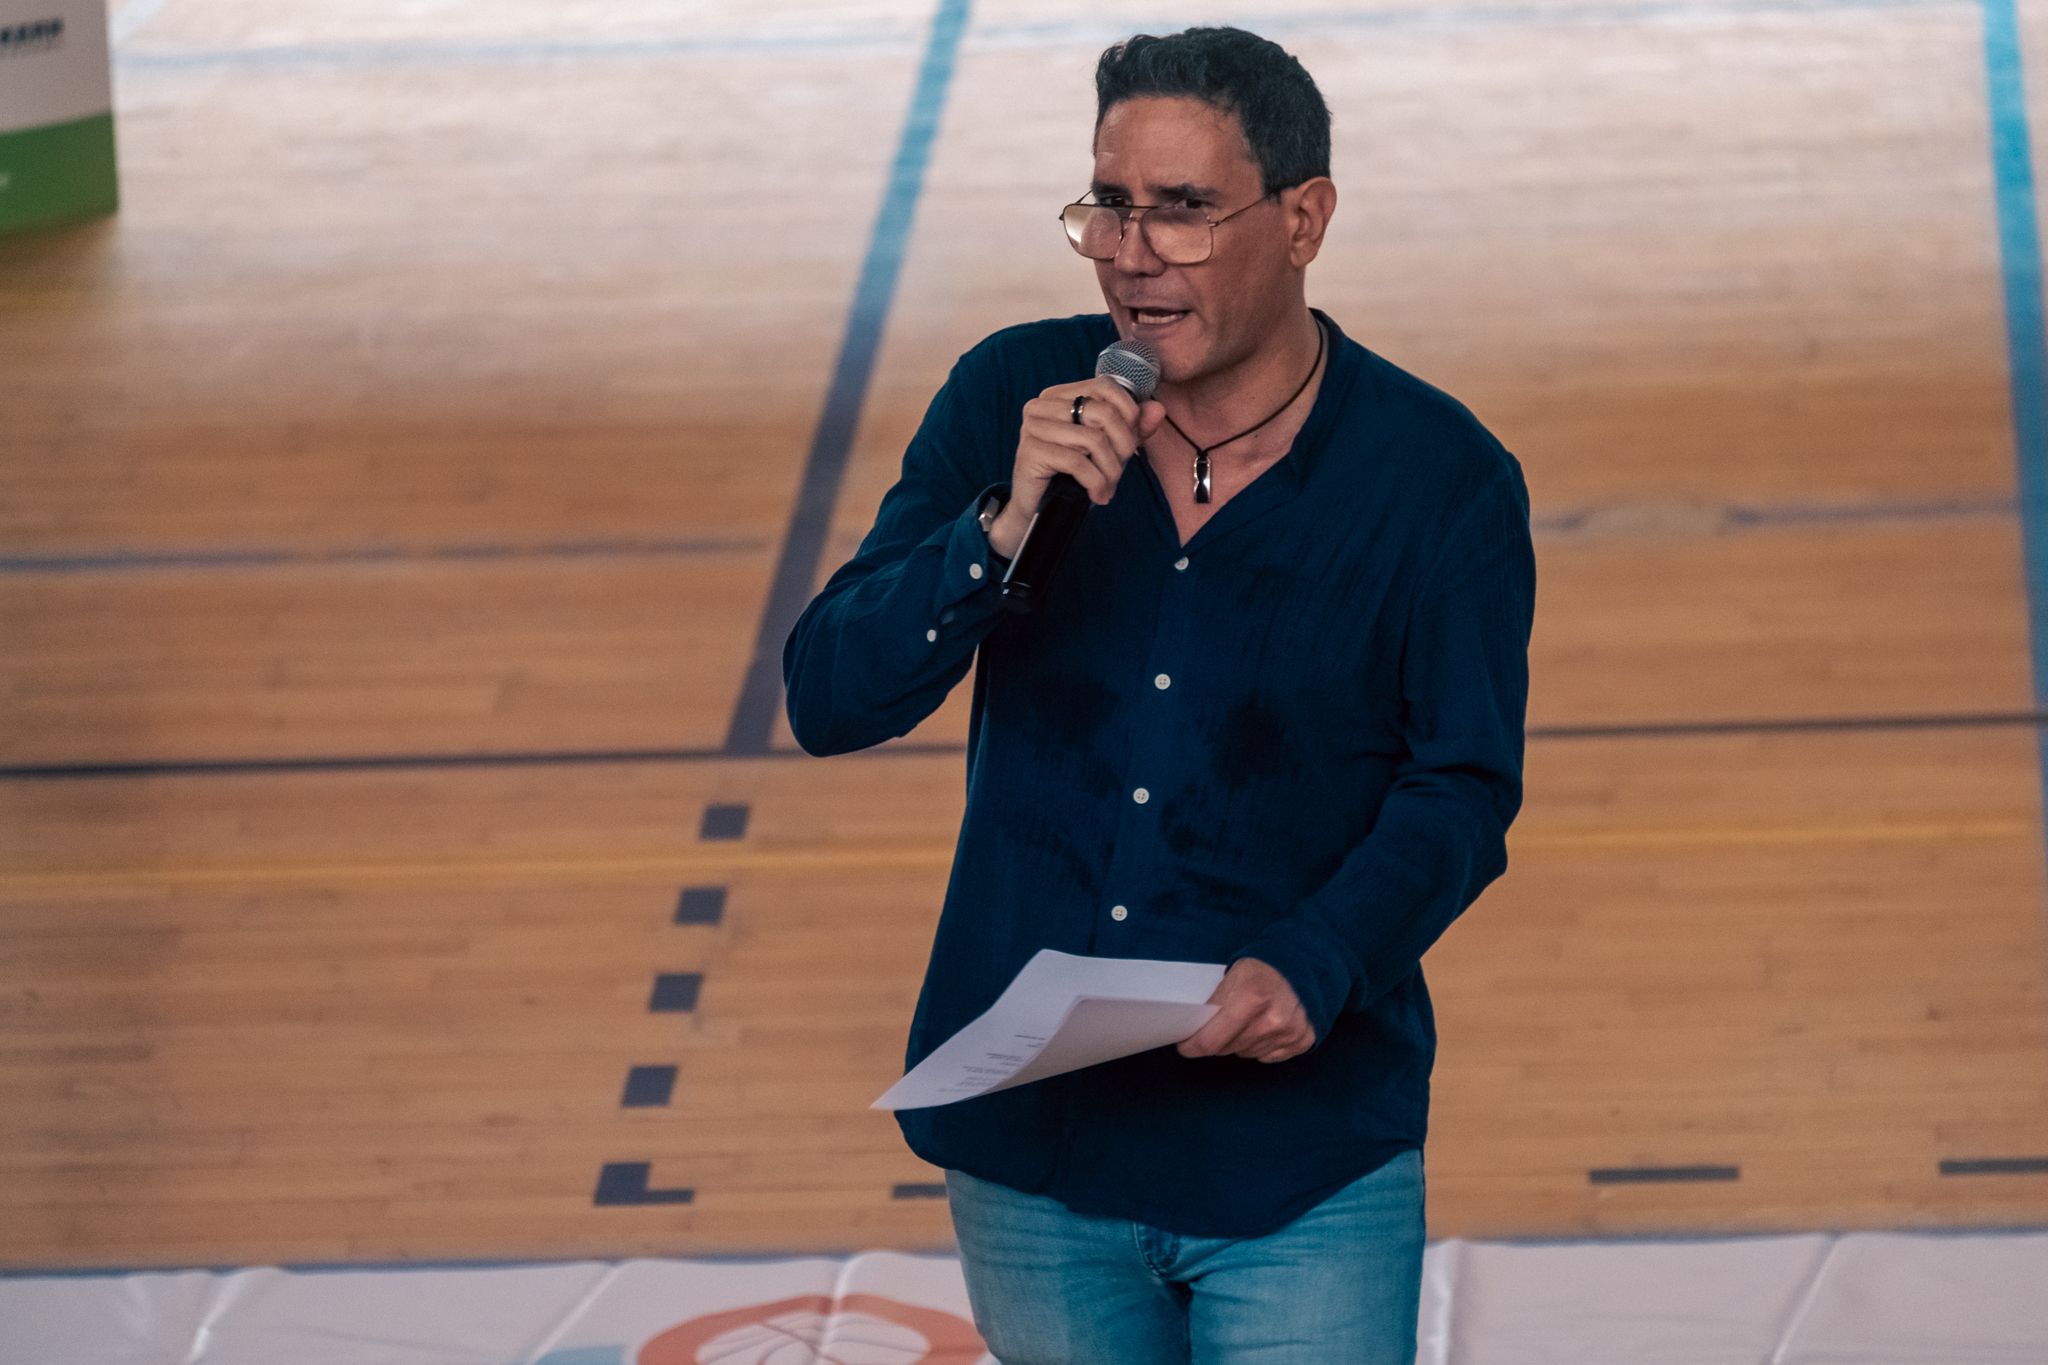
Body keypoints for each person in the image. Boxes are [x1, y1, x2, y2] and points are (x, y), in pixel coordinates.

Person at [782, 24, 1535, 1365]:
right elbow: (833, 694)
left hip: (1301, 1164)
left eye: (1185, 211)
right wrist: (997, 526)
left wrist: (1319, 957)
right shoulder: (1010, 398)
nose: (1135, 254)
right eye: (1110, 207)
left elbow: (1462, 785)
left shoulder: (1442, 481)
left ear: (1304, 218)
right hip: (1035, 1156)